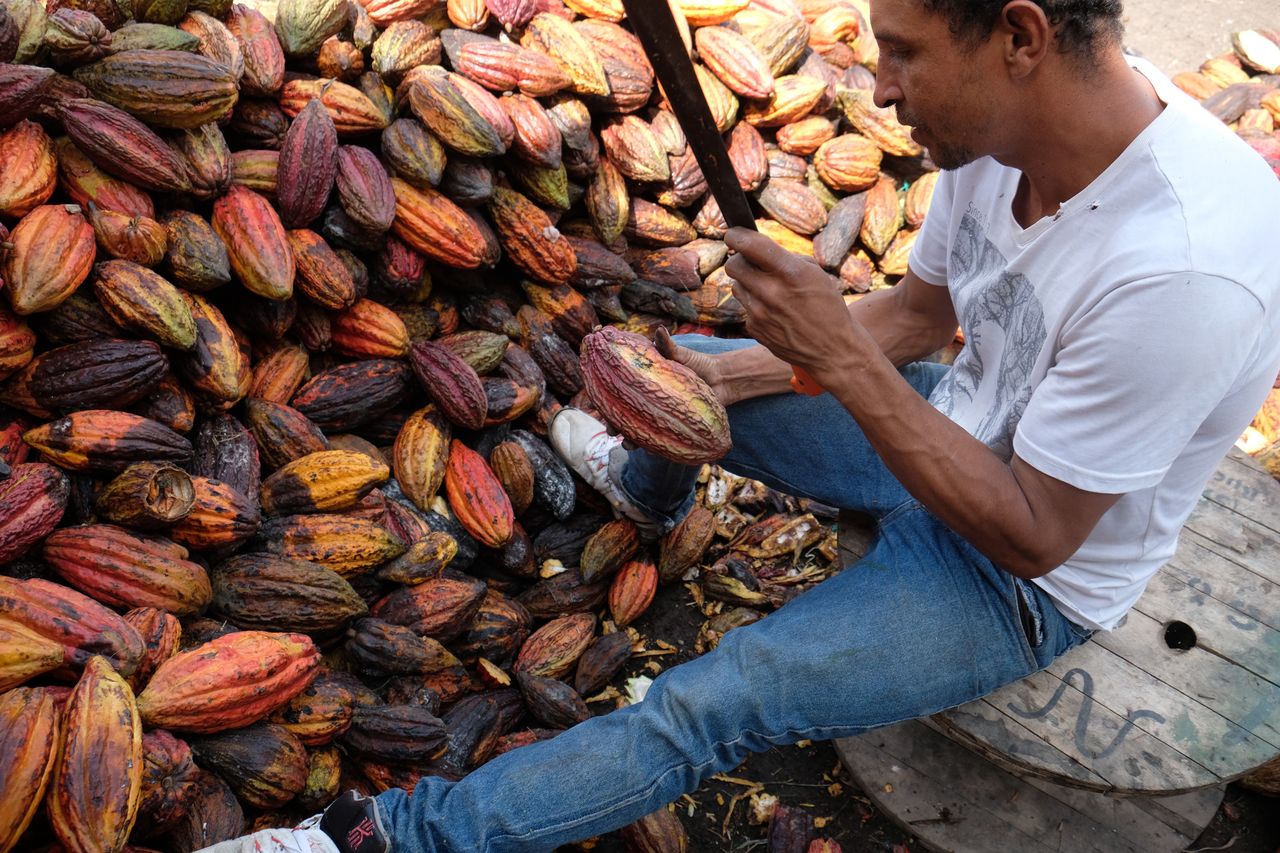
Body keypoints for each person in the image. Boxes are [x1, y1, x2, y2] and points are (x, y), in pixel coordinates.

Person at [202, 1, 1280, 851]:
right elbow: (917, 314)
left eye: (901, 54)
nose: (880, 87)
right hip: (945, 423)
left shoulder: (1185, 270)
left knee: (706, 703)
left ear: (1018, 36)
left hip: (1020, 580)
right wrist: (719, 381)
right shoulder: (1000, 143)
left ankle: (385, 840)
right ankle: (647, 484)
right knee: (668, 374)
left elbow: (1035, 530)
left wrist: (838, 356)